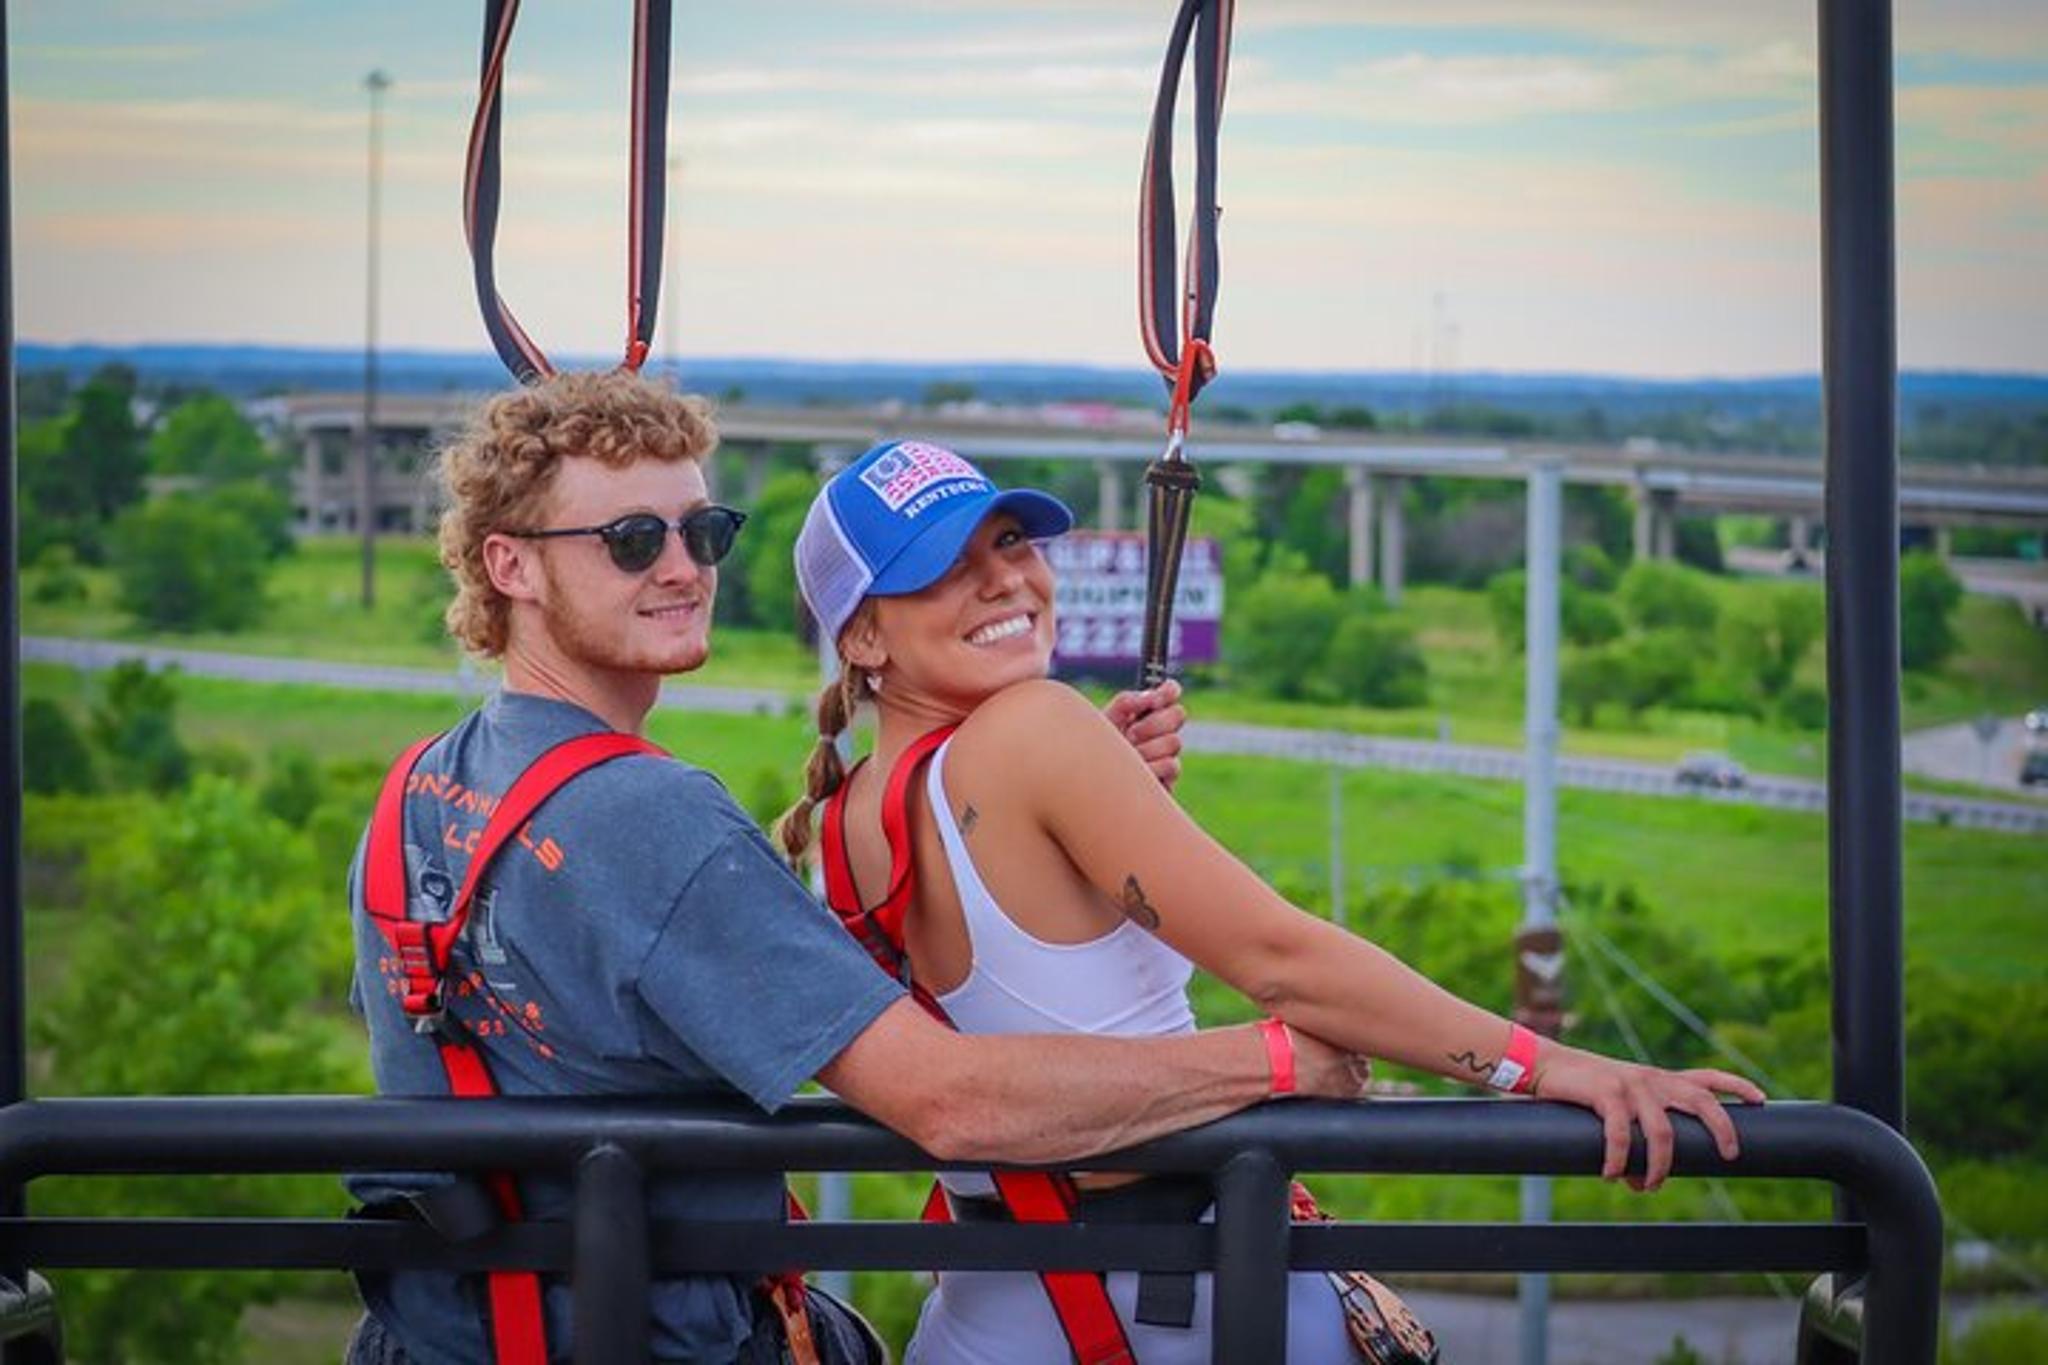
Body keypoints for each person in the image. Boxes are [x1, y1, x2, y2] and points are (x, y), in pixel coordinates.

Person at [343, 371, 1372, 1365]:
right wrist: (1276, 1064)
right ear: (510, 567)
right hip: (646, 1335)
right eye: (628, 540)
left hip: (433, 1330)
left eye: (703, 532)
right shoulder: (650, 815)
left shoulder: (420, 794)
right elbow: (949, 1103)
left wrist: (1044, 814)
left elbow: (699, 964)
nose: (681, 568)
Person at [781, 439, 1770, 1365]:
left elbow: (1015, 962)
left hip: (991, 1314)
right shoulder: (1034, 728)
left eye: (1007, 543)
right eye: (943, 568)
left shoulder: (846, 812)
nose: (1003, 579)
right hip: (1189, 1301)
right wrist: (1549, 1065)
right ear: (863, 632)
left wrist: (1103, 794)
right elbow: (1276, 958)